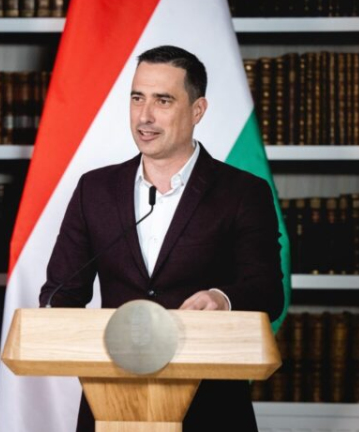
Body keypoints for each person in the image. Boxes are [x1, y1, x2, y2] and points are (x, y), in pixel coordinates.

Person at [39, 45, 284, 432]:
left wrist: (222, 298)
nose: (145, 116)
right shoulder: (94, 190)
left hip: (211, 409)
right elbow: (60, 293)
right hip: (111, 405)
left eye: (163, 100)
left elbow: (268, 290)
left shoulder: (242, 192)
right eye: (137, 98)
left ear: (198, 110)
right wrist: (55, 317)